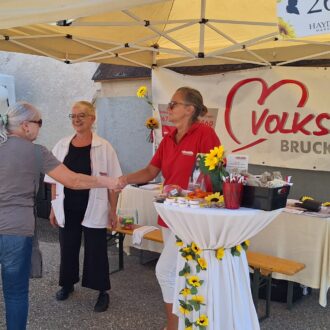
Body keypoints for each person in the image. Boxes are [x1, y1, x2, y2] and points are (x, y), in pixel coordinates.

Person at [0, 102, 117, 330]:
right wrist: (109, 181)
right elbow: (73, 180)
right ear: (25, 126)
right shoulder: (37, 152)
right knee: (15, 293)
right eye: (39, 123)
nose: (40, 129)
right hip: (16, 229)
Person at [117, 87, 220, 330]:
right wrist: (124, 179)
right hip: (169, 215)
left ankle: (173, 326)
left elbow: (216, 176)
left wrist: (191, 193)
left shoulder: (205, 135)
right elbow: (151, 171)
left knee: (165, 271)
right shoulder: (168, 138)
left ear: (189, 109)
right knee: (179, 273)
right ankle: (186, 322)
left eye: (174, 104)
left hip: (192, 217)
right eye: (169, 104)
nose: (169, 108)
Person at [44, 101, 122, 313]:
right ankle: (67, 284)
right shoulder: (61, 145)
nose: (77, 119)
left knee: (96, 250)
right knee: (67, 247)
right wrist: (53, 207)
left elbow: (113, 184)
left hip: (94, 206)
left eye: (82, 115)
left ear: (92, 119)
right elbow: (53, 179)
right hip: (67, 205)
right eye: (73, 116)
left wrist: (113, 211)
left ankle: (102, 291)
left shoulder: (105, 147)